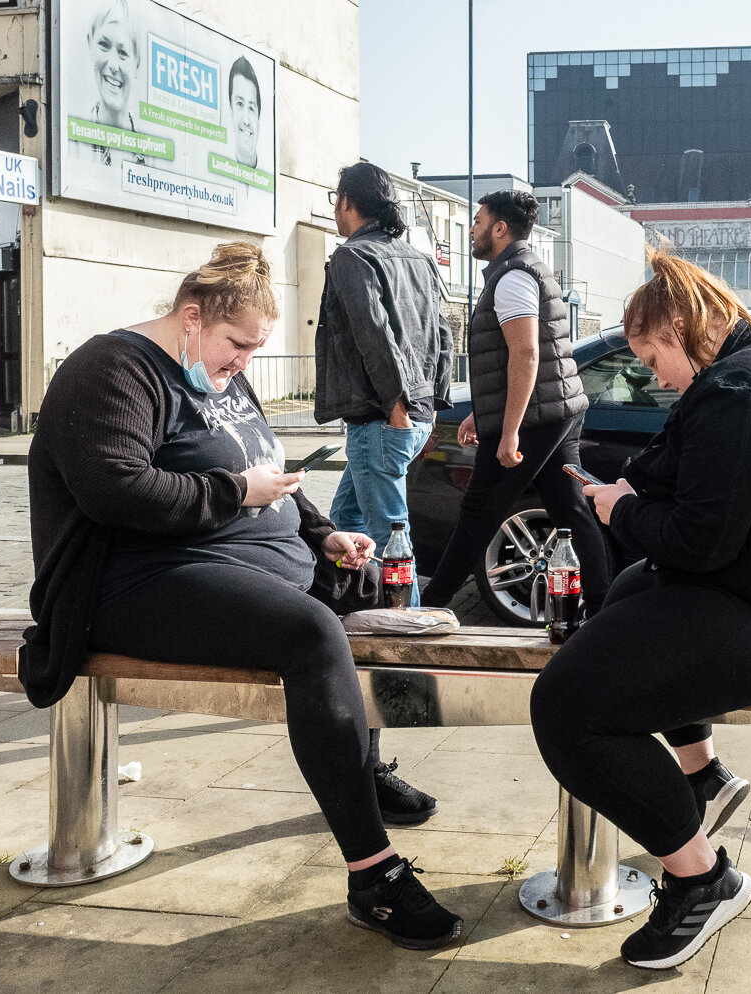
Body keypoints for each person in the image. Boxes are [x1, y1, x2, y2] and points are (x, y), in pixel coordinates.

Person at [23, 242, 463, 951]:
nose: (243, 364)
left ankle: (361, 768)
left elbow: (273, 476)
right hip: (135, 583)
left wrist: (322, 535)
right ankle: (374, 876)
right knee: (312, 632)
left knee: (367, 589)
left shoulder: (224, 377)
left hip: (240, 563)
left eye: (256, 349)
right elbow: (117, 490)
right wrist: (236, 492)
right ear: (192, 318)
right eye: (238, 345)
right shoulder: (112, 370)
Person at [528, 248, 751, 970]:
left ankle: (701, 879)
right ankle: (701, 777)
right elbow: (689, 491)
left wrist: (622, 512)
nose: (656, 377)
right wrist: (627, 497)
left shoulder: (739, 391)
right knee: (627, 597)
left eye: (654, 356)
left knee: (565, 705)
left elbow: (696, 541)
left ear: (682, 327)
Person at [314, 160, 454, 825]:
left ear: (349, 203)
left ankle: (410, 673)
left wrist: (397, 400)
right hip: (414, 416)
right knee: (336, 530)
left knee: (391, 544)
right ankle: (319, 653)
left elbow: (373, 331)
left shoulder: (352, 257)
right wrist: (431, 404)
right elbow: (445, 332)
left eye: (335, 200)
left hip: (382, 417)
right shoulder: (419, 259)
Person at [419, 189, 609, 616]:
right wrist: (479, 413)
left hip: (536, 417)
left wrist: (508, 432)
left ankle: (430, 607)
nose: (472, 228)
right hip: (556, 407)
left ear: (500, 228)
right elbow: (512, 359)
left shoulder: (513, 277)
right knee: (570, 510)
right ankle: (602, 607)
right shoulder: (525, 269)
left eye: (478, 220)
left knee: (479, 511)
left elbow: (525, 354)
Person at [72, 0, 148, 167]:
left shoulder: (152, 151)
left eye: (122, 52)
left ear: (137, 64)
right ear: (90, 45)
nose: (113, 65)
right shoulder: (72, 142)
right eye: (104, 45)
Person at [228, 56, 262, 170]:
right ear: (231, 111)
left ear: (259, 119)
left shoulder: (269, 175)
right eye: (240, 104)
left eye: (251, 108)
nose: (246, 121)